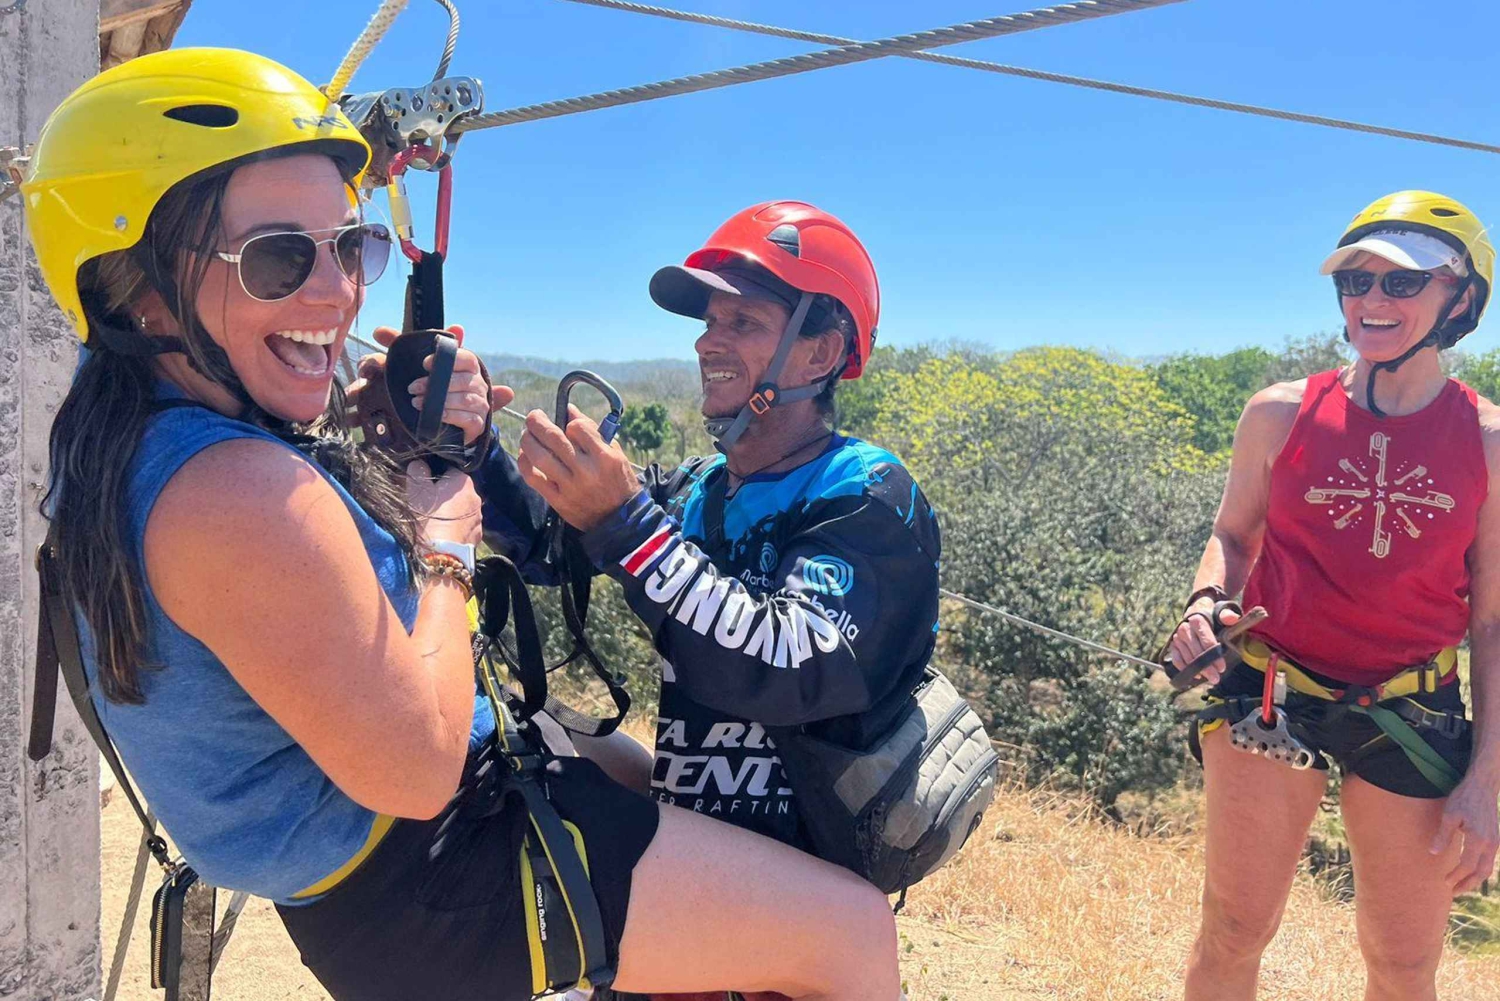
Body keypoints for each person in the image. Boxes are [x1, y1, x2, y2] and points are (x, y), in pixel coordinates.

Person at [27, 48, 901, 1001]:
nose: (338, 292)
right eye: (278, 256)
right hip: (437, 865)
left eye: (349, 247)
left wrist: (464, 449)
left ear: (822, 352)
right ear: (137, 283)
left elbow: (521, 559)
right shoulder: (232, 485)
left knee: (639, 777)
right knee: (851, 930)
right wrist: (453, 542)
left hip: (386, 866)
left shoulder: (120, 434)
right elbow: (429, 747)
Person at [513, 203, 941, 851]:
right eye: (711, 321)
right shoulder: (699, 487)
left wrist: (628, 528)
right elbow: (546, 541)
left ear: (821, 353)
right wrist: (465, 448)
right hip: (693, 845)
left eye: (743, 321)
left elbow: (785, 666)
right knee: (518, 736)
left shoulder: (869, 495)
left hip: (801, 874)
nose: (705, 343)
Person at [1167, 190, 1500, 1001]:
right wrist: (1206, 600)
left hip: (1411, 709)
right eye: (1356, 281)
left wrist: (1488, 777)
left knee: (1404, 962)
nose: (1371, 299)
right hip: (1271, 688)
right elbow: (1234, 536)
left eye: (1402, 281)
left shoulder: (1489, 442)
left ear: (1460, 299)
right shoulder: (1279, 414)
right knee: (1233, 928)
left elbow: (1492, 622)